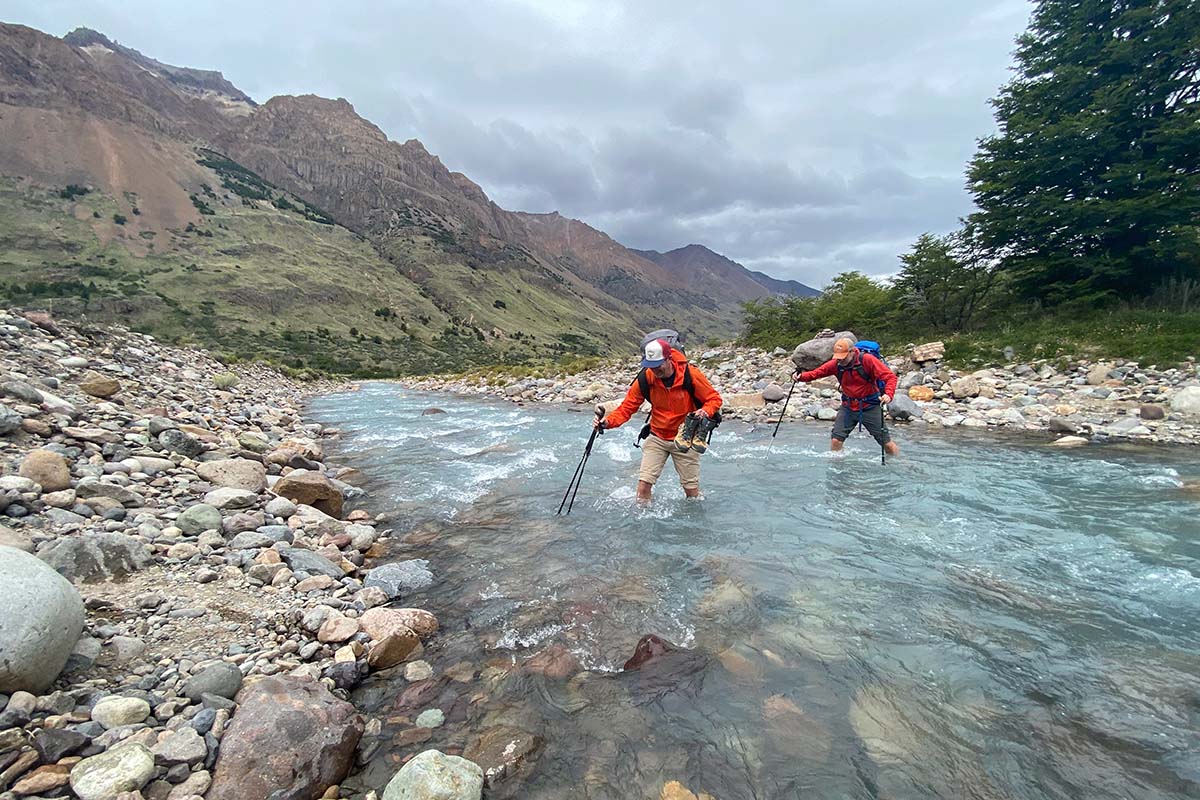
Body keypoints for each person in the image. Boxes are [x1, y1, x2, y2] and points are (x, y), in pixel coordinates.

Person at [594, 338, 723, 502]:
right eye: (651, 366)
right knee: (643, 487)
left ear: (669, 359)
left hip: (686, 438)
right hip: (657, 436)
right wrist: (607, 422)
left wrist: (705, 411)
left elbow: (714, 399)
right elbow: (627, 407)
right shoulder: (645, 378)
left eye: (658, 365)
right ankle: (643, 520)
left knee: (691, 492)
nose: (654, 370)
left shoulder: (691, 375)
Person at [792, 337, 900, 456]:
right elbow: (817, 373)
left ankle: (897, 462)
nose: (840, 360)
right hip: (848, 407)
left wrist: (888, 395)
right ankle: (838, 469)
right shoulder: (836, 363)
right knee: (836, 440)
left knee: (886, 444)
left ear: (852, 352)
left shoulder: (867, 360)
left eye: (843, 357)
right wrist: (800, 377)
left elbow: (890, 377)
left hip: (869, 406)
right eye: (838, 357)